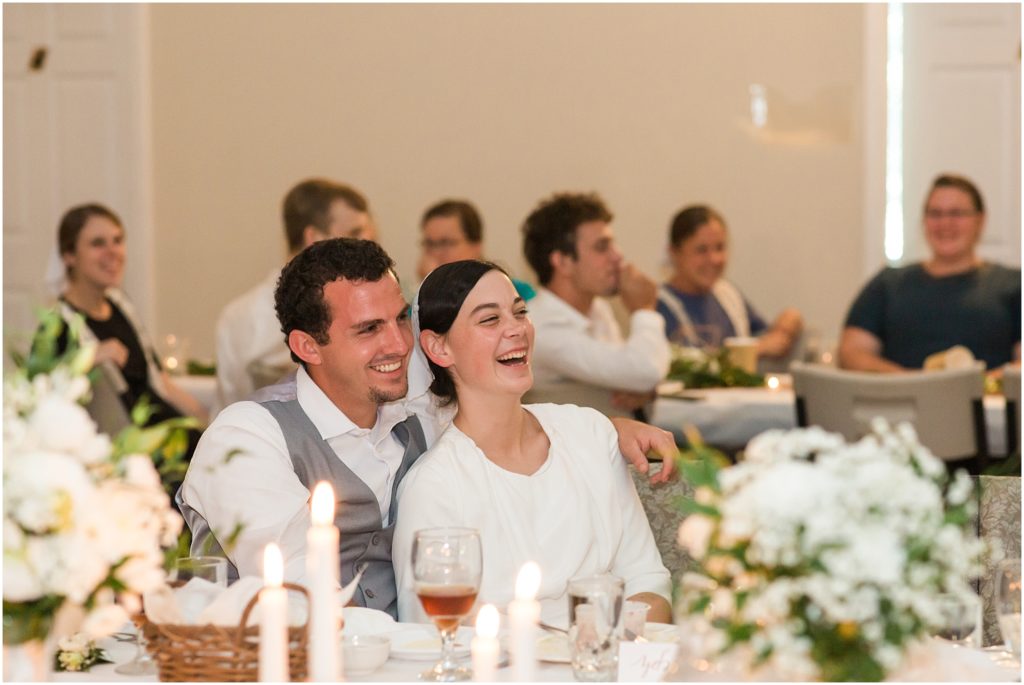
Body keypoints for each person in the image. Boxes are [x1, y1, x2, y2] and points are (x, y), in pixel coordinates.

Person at [178, 238, 677, 618]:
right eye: (369, 330)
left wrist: (608, 429)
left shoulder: (410, 414)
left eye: (400, 318)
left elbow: (495, 411)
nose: (399, 345)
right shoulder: (247, 438)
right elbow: (300, 595)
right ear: (307, 346)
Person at [393, 260, 672, 626]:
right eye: (490, 320)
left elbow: (648, 581)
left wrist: (604, 647)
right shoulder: (434, 487)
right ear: (439, 347)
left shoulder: (590, 434)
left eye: (520, 312)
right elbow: (437, 629)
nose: (516, 329)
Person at [214, 178, 378, 410]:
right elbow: (231, 404)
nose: (367, 244)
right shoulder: (245, 317)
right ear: (314, 237)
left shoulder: (372, 308)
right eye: (355, 233)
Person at [53, 203, 207, 440]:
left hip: (164, 428)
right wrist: (87, 359)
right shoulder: (58, 325)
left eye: (117, 240)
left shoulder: (121, 306)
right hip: (129, 445)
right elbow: (51, 396)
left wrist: (207, 420)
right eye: (98, 243)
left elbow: (161, 383)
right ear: (69, 256)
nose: (113, 252)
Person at [839, 174, 1021, 372]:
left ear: (980, 220)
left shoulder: (1013, 285)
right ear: (924, 220)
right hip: (903, 391)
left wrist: (982, 384)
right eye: (935, 213)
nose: (945, 223)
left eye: (956, 213)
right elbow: (852, 353)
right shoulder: (887, 284)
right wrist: (911, 382)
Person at [521, 192, 670, 417]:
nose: (618, 256)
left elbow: (636, 377)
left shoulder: (598, 308)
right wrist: (644, 309)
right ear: (563, 262)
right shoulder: (541, 327)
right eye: (602, 247)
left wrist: (644, 391)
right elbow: (646, 370)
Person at [657, 205, 803, 360]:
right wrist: (754, 350)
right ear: (674, 253)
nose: (714, 259)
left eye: (719, 247)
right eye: (701, 250)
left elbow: (767, 338)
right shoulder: (657, 306)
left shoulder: (727, 295)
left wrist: (785, 325)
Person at [415, 198, 536, 300]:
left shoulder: (518, 293)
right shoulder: (419, 302)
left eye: (446, 243)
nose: (436, 253)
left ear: (476, 245)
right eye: (429, 244)